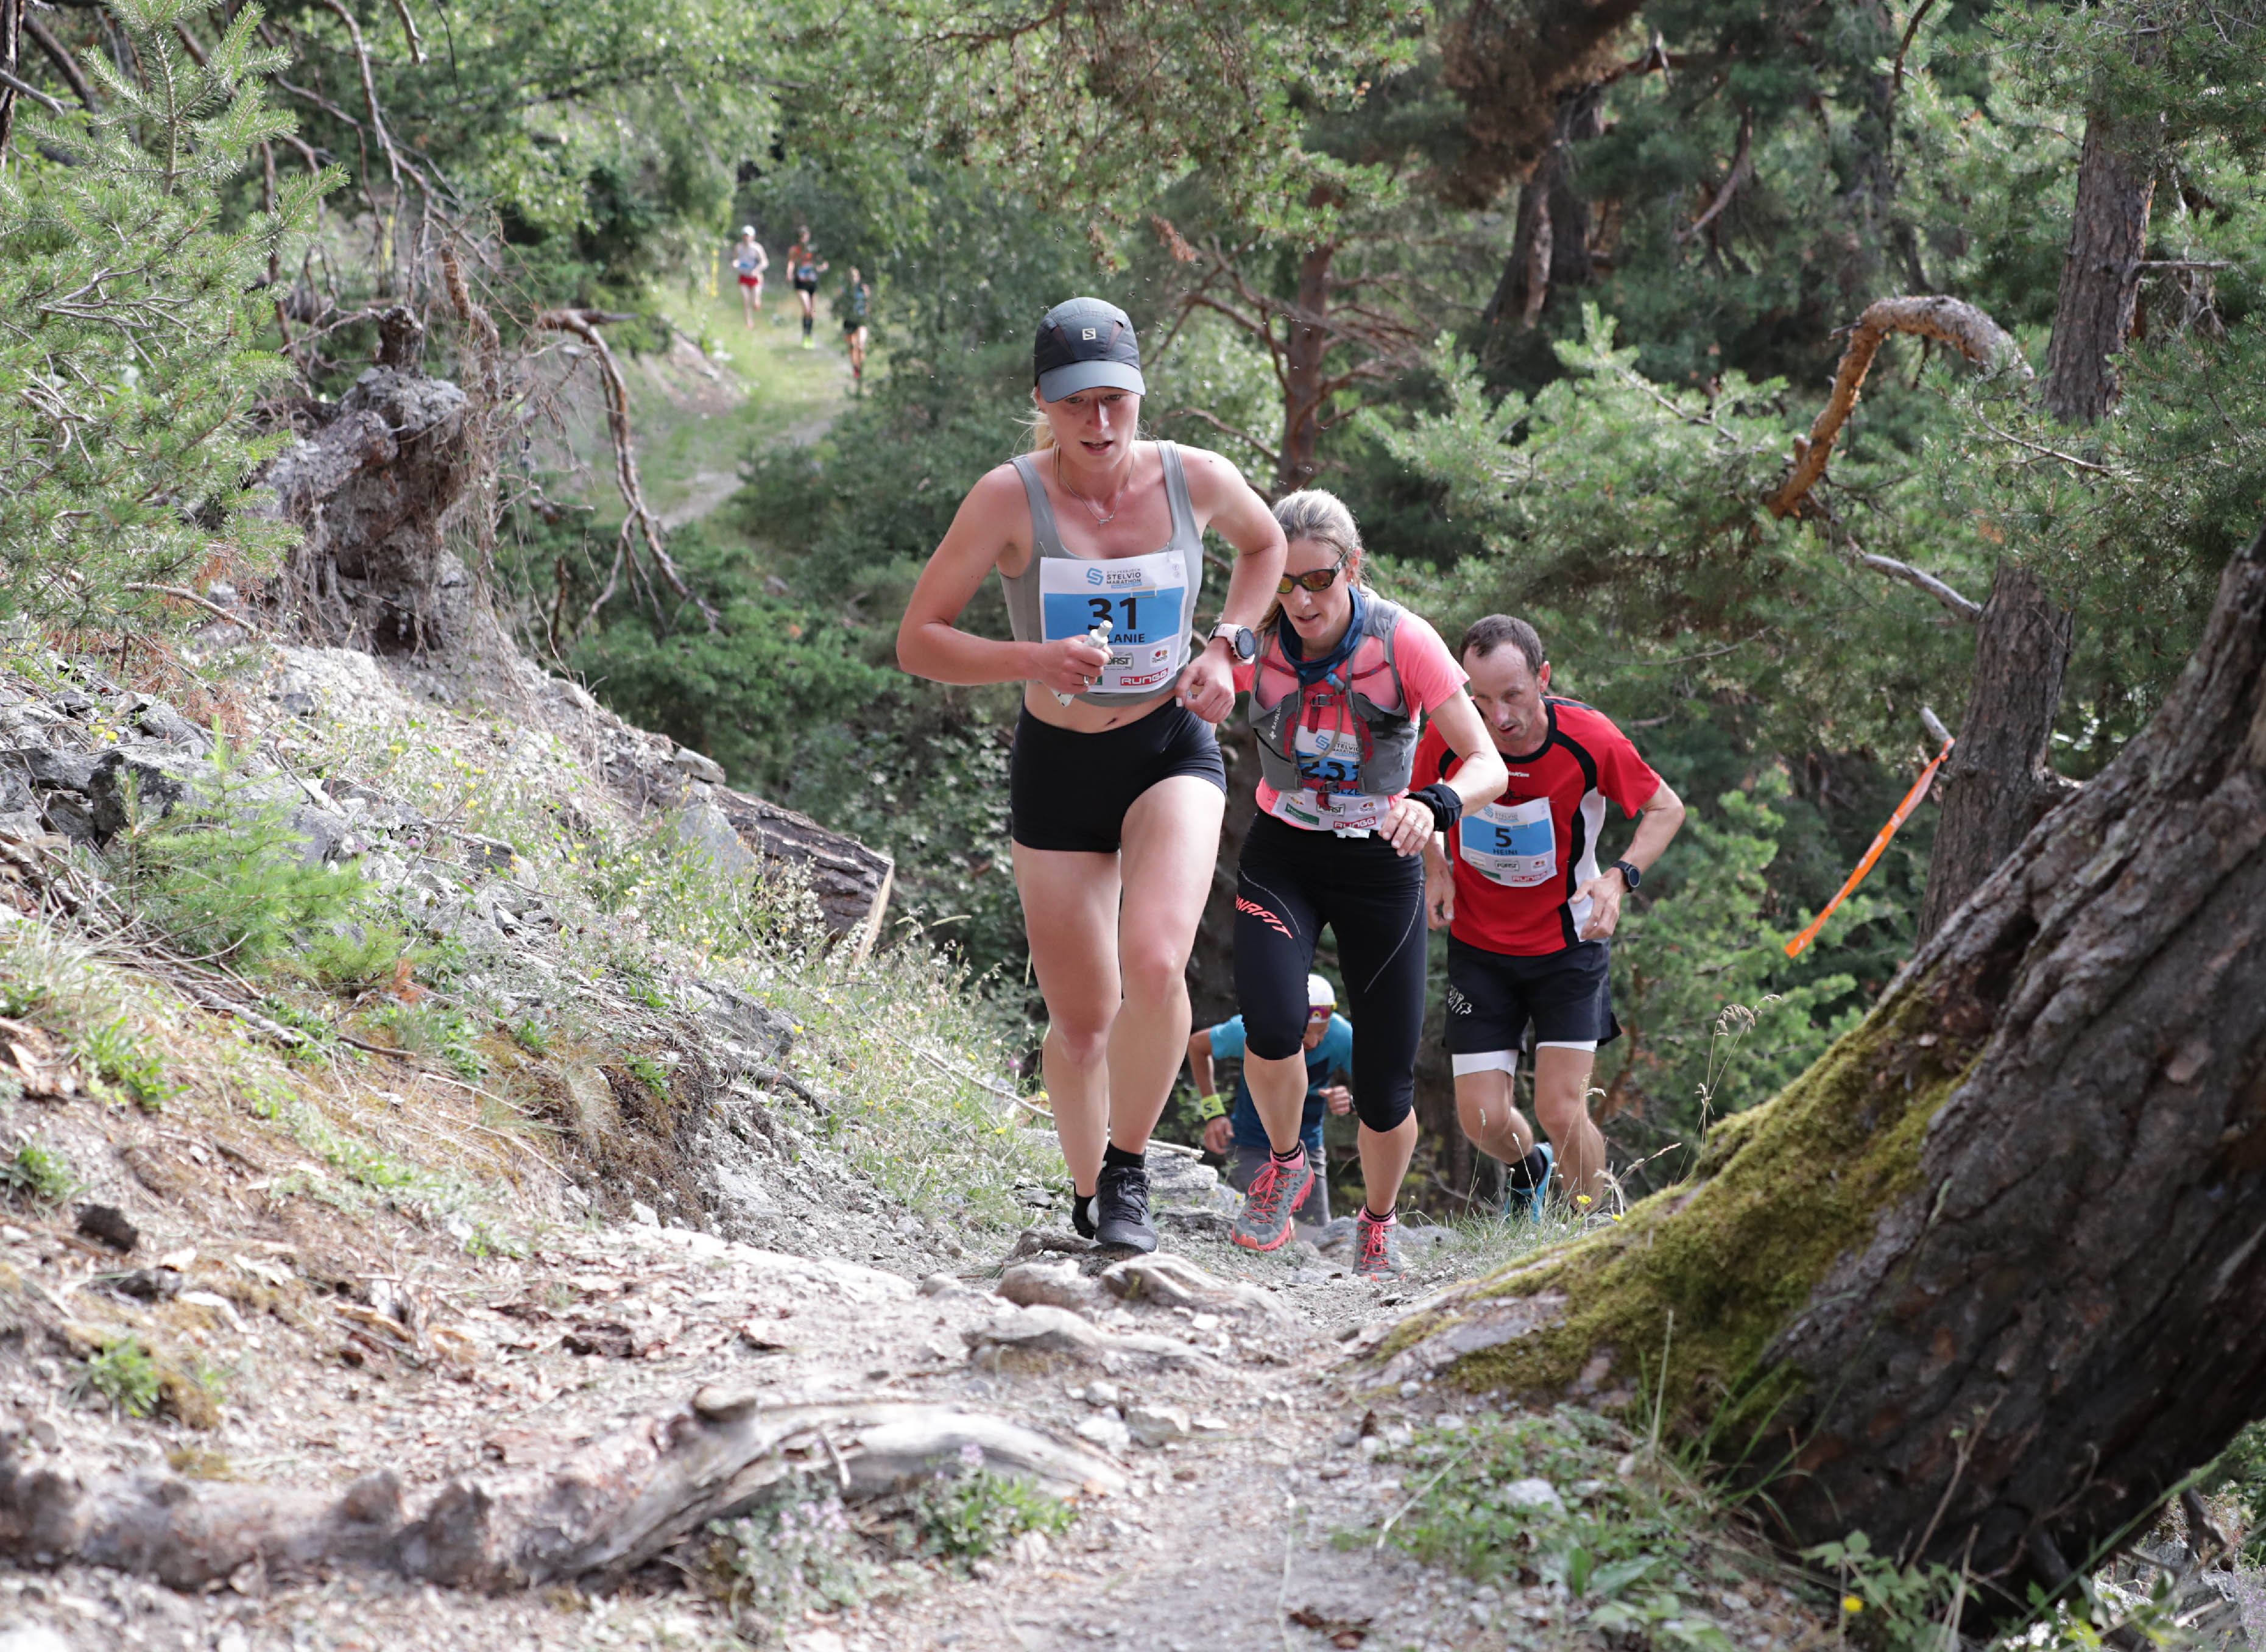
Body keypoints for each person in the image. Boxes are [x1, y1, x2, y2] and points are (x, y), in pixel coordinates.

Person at [897, 297, 1286, 1252]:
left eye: (1116, 400)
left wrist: (1228, 647)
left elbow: (1267, 545)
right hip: (1060, 764)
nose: (1100, 424)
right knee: (1079, 1025)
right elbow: (919, 642)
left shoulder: (1196, 479)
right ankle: (1085, 1193)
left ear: (1142, 395)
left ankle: (1128, 1172)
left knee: (1156, 962)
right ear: (1043, 402)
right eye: (1078, 404)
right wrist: (1034, 658)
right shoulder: (1007, 498)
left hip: (1167, 749)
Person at [1223, 492, 1508, 1279]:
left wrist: (1433, 804)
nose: (1301, 600)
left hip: (1382, 862)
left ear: (1352, 567)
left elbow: (1488, 764)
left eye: (1317, 580)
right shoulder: (1256, 629)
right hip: (1284, 850)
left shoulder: (1403, 640)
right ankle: (1286, 1164)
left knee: (1385, 1088)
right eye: (1283, 582)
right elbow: (1201, 683)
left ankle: (1376, 1224)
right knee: (1273, 1025)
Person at [1414, 614, 1685, 1218]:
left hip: (1568, 946)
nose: (1499, 716)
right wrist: (1436, 866)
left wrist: (1619, 878)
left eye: (1513, 695)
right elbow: (1417, 801)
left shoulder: (1590, 739)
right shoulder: (1452, 735)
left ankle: (1593, 1228)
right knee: (1482, 1119)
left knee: (1562, 1110)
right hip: (1480, 948)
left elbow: (1667, 809)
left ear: (1544, 676)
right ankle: (1528, 1166)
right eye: (1480, 698)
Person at [1187, 973, 1353, 1227]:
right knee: (1271, 1222)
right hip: (1251, 1146)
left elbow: (1380, 1087)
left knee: (1315, 1237)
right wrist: (1213, 1113)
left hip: (1307, 1148)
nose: (1314, 1042)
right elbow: (1197, 1046)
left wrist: (1350, 1100)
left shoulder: (1342, 1036)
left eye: (1323, 1032)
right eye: (1305, 1031)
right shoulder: (1253, 1028)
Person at [787, 228, 827, 348]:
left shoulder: (814, 250)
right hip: (800, 283)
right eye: (801, 236)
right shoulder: (795, 250)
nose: (803, 239)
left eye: (805, 236)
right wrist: (789, 273)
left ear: (809, 236)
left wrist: (822, 267)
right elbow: (791, 262)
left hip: (812, 284)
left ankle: (809, 336)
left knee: (812, 312)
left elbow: (821, 263)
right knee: (807, 308)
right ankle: (805, 337)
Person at [841, 267, 871, 388]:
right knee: (852, 346)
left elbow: (868, 303)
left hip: (861, 320)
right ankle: (855, 368)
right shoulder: (844, 291)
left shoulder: (863, 289)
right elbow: (840, 305)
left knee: (861, 344)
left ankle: (860, 366)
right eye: (851, 277)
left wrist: (867, 313)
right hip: (849, 321)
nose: (854, 279)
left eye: (856, 276)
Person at [732, 227, 768, 327]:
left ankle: (757, 301)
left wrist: (756, 271)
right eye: (745, 235)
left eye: (748, 235)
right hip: (744, 277)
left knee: (755, 302)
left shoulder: (757, 248)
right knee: (746, 299)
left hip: (755, 278)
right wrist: (735, 264)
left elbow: (764, 262)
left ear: (753, 237)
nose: (746, 237)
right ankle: (749, 322)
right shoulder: (739, 247)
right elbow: (736, 259)